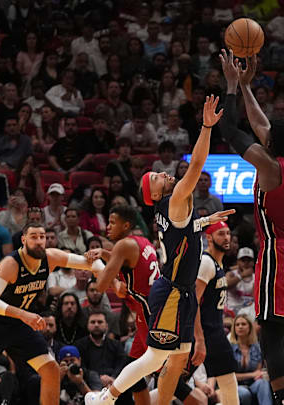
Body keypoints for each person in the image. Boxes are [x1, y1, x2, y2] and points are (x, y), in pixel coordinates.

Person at [84, 94, 230, 405]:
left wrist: (204, 222)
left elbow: (183, 231)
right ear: (153, 192)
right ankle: (106, 399)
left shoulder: (172, 210)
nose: (164, 174)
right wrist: (206, 128)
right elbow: (198, 165)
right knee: (154, 358)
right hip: (172, 292)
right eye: (157, 177)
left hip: (183, 291)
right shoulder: (174, 200)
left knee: (177, 360)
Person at [219, 50, 284, 405]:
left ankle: (282, 402)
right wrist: (249, 87)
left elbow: (230, 129)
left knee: (271, 338)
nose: (262, 134)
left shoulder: (268, 165)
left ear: (269, 144)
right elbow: (263, 125)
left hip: (280, 252)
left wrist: (232, 86)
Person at [0, 222, 106, 405]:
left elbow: (91, 264)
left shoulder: (51, 257)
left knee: (51, 369)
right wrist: (24, 315)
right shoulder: (11, 264)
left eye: (42, 237)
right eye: (34, 237)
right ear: (23, 240)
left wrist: (99, 262)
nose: (40, 241)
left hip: (18, 324)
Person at [88, 204, 159, 405]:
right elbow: (125, 265)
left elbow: (101, 286)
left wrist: (97, 268)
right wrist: (103, 253)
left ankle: (105, 399)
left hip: (150, 316)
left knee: (168, 377)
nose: (107, 227)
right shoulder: (142, 242)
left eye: (112, 222)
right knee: (135, 377)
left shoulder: (123, 245)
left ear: (126, 225)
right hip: (150, 310)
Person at [172, 221, 240, 405]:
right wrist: (199, 338)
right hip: (203, 333)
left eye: (228, 233)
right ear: (209, 237)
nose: (226, 237)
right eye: (221, 234)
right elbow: (192, 301)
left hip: (212, 332)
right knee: (171, 382)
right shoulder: (206, 263)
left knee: (227, 382)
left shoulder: (217, 264)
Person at [75, 310, 126, 391]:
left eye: (100, 322)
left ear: (107, 326)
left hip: (114, 383)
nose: (96, 325)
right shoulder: (79, 345)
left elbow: (121, 364)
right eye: (92, 322)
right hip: (89, 386)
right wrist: (98, 378)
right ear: (87, 326)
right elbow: (81, 366)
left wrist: (112, 378)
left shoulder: (116, 345)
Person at [230, 315, 272, 405]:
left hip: (253, 384)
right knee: (245, 393)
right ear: (234, 329)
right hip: (235, 385)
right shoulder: (229, 349)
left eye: (243, 324)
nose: (240, 327)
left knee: (263, 384)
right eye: (237, 325)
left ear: (249, 327)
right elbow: (230, 376)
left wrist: (258, 374)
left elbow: (259, 372)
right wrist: (252, 374)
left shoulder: (257, 348)